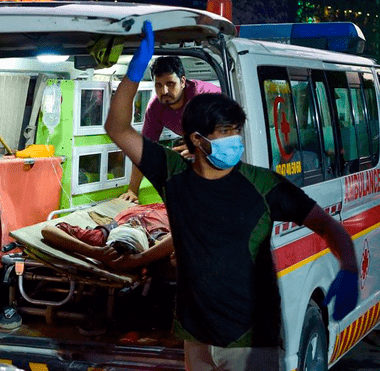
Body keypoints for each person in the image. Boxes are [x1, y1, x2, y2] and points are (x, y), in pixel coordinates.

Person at [104, 21, 359, 371]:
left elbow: (328, 225)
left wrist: (348, 267)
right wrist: (134, 72)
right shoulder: (174, 177)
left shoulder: (263, 185)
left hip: (249, 340)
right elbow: (117, 128)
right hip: (195, 335)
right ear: (197, 139)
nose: (233, 140)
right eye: (224, 133)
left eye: (235, 131)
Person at [119, 56, 221, 203]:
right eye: (158, 85)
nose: (164, 90)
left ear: (183, 82)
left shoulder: (204, 97)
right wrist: (132, 190)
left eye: (170, 84)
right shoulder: (155, 108)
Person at [41, 203, 173, 270]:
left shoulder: (100, 237)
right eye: (133, 227)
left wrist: (90, 251)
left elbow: (48, 231)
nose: (133, 221)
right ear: (146, 243)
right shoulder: (158, 241)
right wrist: (141, 258)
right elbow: (177, 239)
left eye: (128, 225)